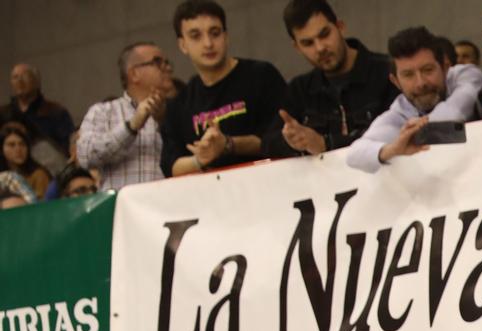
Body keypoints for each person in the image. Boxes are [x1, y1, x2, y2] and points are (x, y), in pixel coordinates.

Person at [158, 0, 286, 176]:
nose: (208, 43)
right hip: (212, 198)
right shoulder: (179, 105)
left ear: (226, 36)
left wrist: (228, 144)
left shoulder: (261, 76)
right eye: (196, 36)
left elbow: (282, 138)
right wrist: (199, 159)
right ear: (182, 45)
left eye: (215, 33)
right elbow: (170, 166)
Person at [347, 28, 482, 174]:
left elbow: (455, 111)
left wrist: (413, 134)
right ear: (396, 82)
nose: (420, 83)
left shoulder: (467, 75)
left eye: (428, 70)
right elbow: (354, 155)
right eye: (408, 75)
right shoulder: (400, 111)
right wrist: (392, 149)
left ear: (445, 67)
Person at [270, 0, 396, 157]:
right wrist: (292, 140)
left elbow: (397, 133)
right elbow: (268, 144)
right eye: (308, 43)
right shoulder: (299, 89)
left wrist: (326, 143)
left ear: (340, 27)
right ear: (297, 47)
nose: (320, 48)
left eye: (324, 34)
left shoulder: (388, 72)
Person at [74, 43, 175, 189]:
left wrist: (164, 121)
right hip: (121, 210)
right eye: (158, 62)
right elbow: (85, 156)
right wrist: (131, 126)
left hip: (168, 207)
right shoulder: (104, 111)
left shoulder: (178, 109)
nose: (167, 68)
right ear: (134, 74)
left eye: (167, 62)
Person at [8, 64, 73, 154]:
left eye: (25, 76)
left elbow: (68, 147)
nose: (20, 81)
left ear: (37, 82)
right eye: (15, 77)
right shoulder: (5, 114)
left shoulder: (56, 112)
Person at [0, 122, 49, 198]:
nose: (18, 149)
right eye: (11, 145)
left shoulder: (39, 175)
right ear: (1, 149)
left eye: (22, 144)